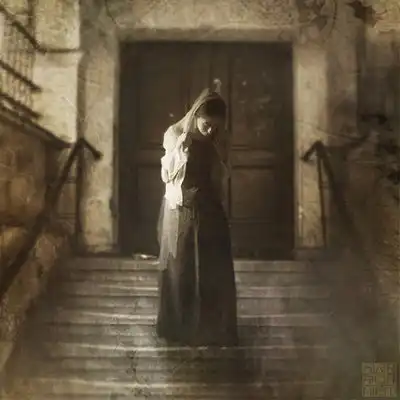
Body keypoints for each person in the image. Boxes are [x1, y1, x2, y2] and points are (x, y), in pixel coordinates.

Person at [156, 87, 238, 347]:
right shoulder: (174, 134)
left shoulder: (218, 140)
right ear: (195, 116)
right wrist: (181, 149)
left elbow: (221, 177)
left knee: (212, 269)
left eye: (216, 126)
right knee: (181, 268)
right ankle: (181, 328)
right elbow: (167, 176)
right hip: (180, 211)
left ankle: (211, 329)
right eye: (206, 124)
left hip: (210, 211)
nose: (210, 130)